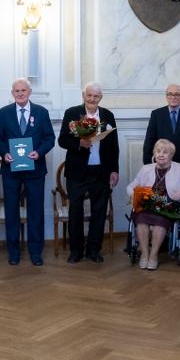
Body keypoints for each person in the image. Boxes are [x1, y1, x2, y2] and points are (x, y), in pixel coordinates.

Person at [58, 82, 120, 264]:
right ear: (83, 95)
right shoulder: (72, 113)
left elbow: (114, 146)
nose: (92, 99)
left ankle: (94, 249)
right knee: (75, 211)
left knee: (99, 211)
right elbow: (62, 140)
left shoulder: (108, 115)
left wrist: (114, 170)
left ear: (101, 98)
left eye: (96, 96)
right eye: (89, 95)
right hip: (78, 172)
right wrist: (79, 144)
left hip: (101, 171)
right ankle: (76, 250)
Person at [0, 79, 54, 266]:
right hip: (11, 170)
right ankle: (14, 251)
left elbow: (50, 138)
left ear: (30, 92)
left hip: (35, 169)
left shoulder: (41, 112)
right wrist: (4, 153)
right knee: (11, 211)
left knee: (35, 211)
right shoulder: (4, 112)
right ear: (12, 93)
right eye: (16, 91)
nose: (20, 93)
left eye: (23, 90)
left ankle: (36, 251)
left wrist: (39, 152)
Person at [127, 139, 180, 270]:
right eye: (158, 151)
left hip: (168, 205)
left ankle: (154, 255)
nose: (161, 154)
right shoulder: (146, 169)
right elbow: (131, 186)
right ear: (154, 154)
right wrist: (132, 194)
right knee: (141, 220)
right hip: (148, 203)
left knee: (159, 221)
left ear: (171, 155)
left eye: (165, 152)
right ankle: (145, 253)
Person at [143, 84, 180, 174]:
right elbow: (149, 140)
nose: (173, 97)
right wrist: (148, 164)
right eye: (170, 94)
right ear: (166, 96)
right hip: (160, 164)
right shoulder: (156, 114)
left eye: (177, 94)